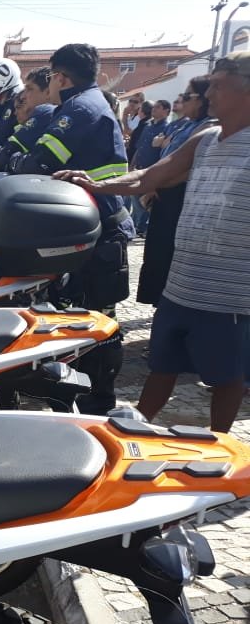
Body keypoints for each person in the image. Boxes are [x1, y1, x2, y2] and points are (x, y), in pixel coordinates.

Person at [58, 51, 250, 431]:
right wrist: (96, 185)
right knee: (162, 366)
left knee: (227, 378)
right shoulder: (205, 139)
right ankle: (135, 430)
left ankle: (218, 447)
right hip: (180, 286)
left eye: (218, 85)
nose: (208, 93)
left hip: (228, 295)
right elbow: (149, 177)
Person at [9, 43, 136, 413]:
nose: (49, 85)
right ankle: (81, 391)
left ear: (62, 78)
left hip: (100, 228)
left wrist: (14, 163)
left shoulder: (81, 109)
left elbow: (40, 162)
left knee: (98, 320)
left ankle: (99, 401)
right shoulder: (82, 104)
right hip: (85, 225)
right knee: (79, 313)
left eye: (51, 78)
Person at [134, 76, 216, 305]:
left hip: (180, 197)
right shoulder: (185, 124)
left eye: (187, 96)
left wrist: (155, 184)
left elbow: (187, 166)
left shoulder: (208, 127)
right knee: (158, 252)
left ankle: (167, 304)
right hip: (165, 193)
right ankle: (158, 302)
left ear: (202, 99)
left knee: (169, 253)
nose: (182, 101)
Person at [0, 66, 55, 171]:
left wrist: (14, 160)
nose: (23, 96)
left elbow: (3, 157)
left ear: (48, 92)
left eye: (29, 89)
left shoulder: (45, 113)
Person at [129, 100, 172, 235]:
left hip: (151, 169)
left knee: (145, 200)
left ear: (166, 111)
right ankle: (138, 225)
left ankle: (141, 227)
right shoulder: (148, 126)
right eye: (154, 107)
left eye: (158, 107)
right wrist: (132, 165)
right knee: (135, 198)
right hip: (139, 167)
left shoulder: (166, 128)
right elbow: (140, 147)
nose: (154, 109)